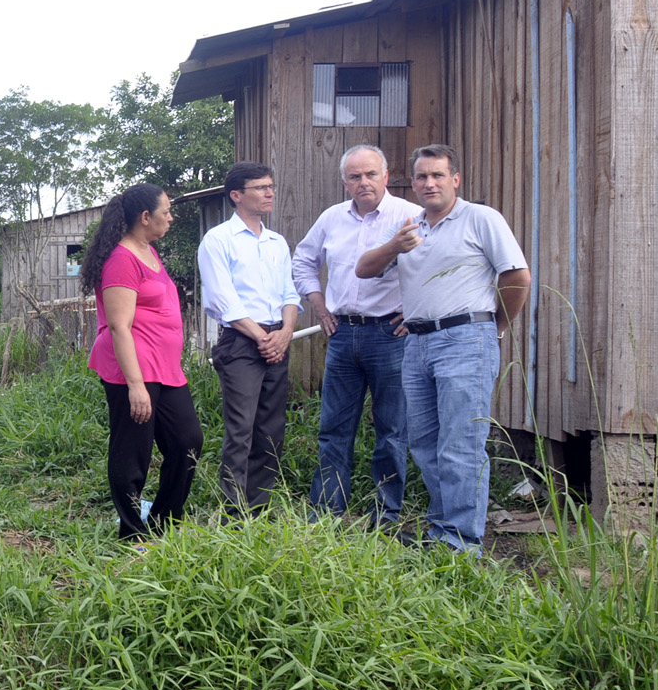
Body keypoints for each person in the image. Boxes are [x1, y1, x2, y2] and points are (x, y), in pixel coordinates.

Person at [355, 143, 530, 552]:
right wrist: (395, 247)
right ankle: (443, 531)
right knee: (426, 445)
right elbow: (364, 269)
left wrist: (496, 326)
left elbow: (517, 277)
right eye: (421, 176)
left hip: (466, 339)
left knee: (461, 444)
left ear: (455, 179)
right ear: (413, 183)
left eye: (437, 175)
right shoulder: (410, 227)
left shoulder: (481, 218)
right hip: (416, 344)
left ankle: (461, 544)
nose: (429, 183)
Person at [292, 145, 423, 527]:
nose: (362, 182)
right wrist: (317, 302)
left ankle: (386, 514)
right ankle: (327, 514)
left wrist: (414, 312)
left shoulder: (410, 216)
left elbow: (435, 266)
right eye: (354, 176)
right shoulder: (332, 218)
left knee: (392, 430)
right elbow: (303, 260)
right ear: (344, 181)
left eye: (370, 174)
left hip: (391, 335)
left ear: (386, 175)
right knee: (334, 428)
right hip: (344, 334)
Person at [85, 183, 203, 542]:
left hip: (164, 369)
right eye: (166, 211)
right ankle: (132, 536)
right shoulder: (122, 259)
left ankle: (164, 524)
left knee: (188, 442)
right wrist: (136, 386)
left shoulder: (148, 252)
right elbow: (119, 326)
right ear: (145, 216)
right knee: (132, 453)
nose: (171, 217)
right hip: (133, 369)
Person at [198, 162, 301, 515]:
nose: (269, 193)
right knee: (241, 428)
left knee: (271, 427)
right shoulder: (218, 240)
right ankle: (233, 511)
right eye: (260, 187)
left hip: (277, 339)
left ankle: (259, 506)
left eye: (271, 186)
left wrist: (285, 333)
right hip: (242, 341)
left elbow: (290, 293)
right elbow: (222, 299)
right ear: (237, 196)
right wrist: (262, 337)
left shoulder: (276, 243)